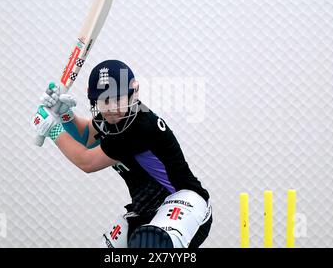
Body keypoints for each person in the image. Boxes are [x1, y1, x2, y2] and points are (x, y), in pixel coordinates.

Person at [32, 59, 212, 248]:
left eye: (117, 99)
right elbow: (85, 136)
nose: (111, 108)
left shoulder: (139, 126)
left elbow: (87, 162)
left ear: (134, 92)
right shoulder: (114, 117)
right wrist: (65, 115)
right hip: (146, 211)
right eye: (104, 100)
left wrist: (53, 130)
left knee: (152, 244)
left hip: (186, 201)